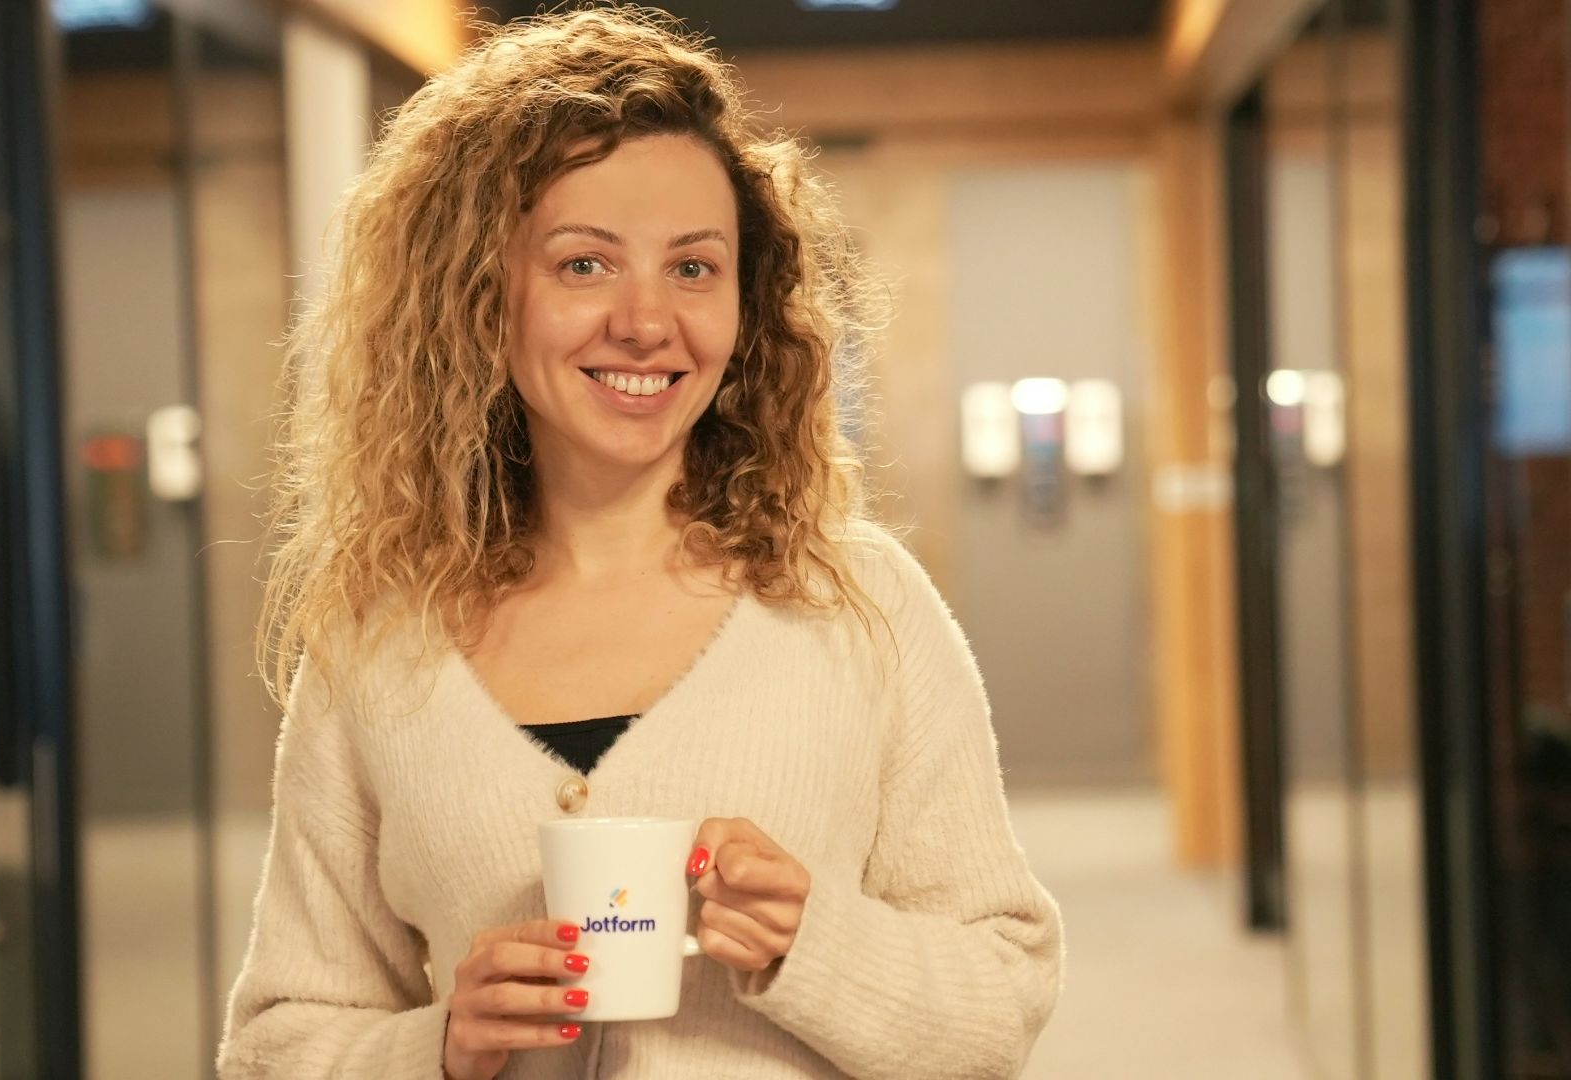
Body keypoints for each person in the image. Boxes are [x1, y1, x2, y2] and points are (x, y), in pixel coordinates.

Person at [218, 7, 1063, 1078]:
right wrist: (435, 1046)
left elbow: (1001, 1000)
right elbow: (278, 1045)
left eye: (694, 268)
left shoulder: (859, 606)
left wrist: (818, 943)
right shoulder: (376, 649)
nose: (647, 322)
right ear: (482, 297)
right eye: (585, 265)